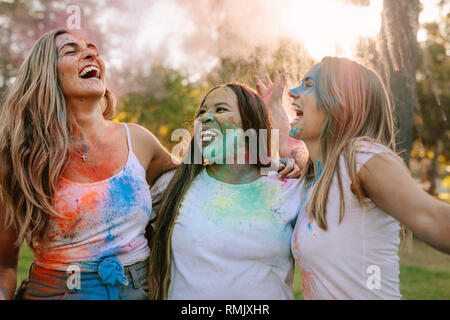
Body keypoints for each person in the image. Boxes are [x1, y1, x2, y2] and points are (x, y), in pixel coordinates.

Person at [0, 29, 178, 300]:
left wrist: (249, 118)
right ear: (46, 74)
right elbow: (3, 266)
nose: (91, 53)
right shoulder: (18, 156)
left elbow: (192, 184)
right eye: (71, 51)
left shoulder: (139, 140)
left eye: (93, 49)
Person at [256, 56, 450, 300]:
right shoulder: (319, 173)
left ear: (341, 103)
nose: (293, 92)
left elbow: (432, 218)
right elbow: (289, 147)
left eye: (307, 85)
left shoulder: (361, 158)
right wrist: (274, 109)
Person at [148, 82, 306, 299]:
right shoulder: (172, 187)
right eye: (202, 112)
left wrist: (277, 111)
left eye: (220, 109)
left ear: (250, 123)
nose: (205, 118)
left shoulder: (288, 186)